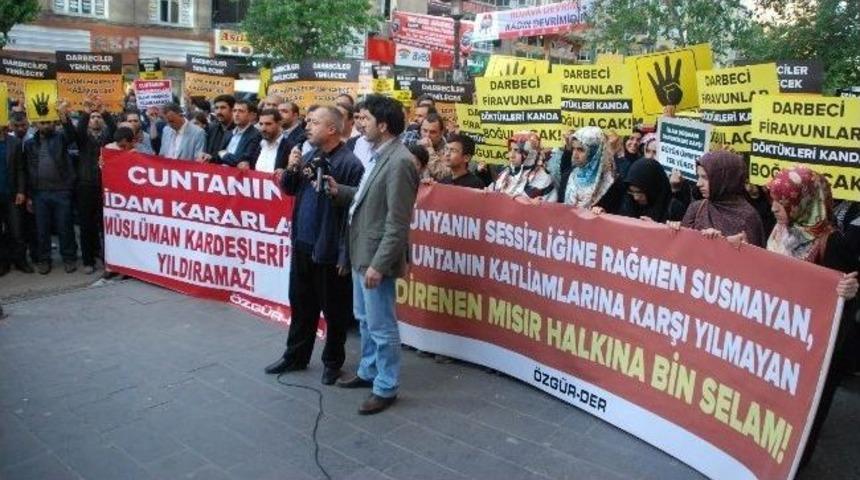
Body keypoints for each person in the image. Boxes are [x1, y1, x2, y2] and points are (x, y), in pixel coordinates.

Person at [325, 94, 419, 415]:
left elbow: (397, 222)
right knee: (365, 320)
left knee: (381, 326)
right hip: (361, 251)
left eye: (364, 118)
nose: (358, 124)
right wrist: (340, 191)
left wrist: (379, 265)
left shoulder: (400, 161)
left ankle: (386, 386)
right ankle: (368, 371)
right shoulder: (379, 155)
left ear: (383, 125)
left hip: (375, 258)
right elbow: (367, 198)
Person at [763, 166, 858, 469]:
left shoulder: (833, 243)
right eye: (773, 200)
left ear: (804, 202)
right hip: (781, 333)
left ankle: (792, 464)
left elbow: (845, 298)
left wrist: (850, 291)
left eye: (782, 202)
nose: (774, 208)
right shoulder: (782, 229)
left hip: (814, 348)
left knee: (806, 413)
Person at [264, 106, 364, 386]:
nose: (307, 126)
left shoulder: (350, 164)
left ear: (332, 129)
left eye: (314, 122)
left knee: (334, 310)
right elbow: (289, 188)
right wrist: (293, 166)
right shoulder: (309, 155)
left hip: (329, 249)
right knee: (301, 304)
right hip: (303, 244)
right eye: (307, 121)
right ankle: (295, 355)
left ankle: (332, 362)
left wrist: (344, 254)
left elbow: (352, 214)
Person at [60, 98, 115, 274]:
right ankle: (88, 260)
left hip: (105, 186)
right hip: (85, 186)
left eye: (99, 117)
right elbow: (72, 132)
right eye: (93, 117)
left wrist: (104, 111)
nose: (96, 119)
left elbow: (115, 130)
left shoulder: (108, 139)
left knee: (105, 225)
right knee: (86, 224)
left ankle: (108, 258)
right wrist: (86, 112)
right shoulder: (82, 138)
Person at [23, 118, 78, 274]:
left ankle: (69, 258)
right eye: (42, 123)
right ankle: (44, 260)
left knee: (65, 227)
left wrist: (65, 118)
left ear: (54, 123)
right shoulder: (29, 144)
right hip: (39, 193)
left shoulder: (61, 138)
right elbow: (27, 170)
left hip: (62, 191)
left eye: (48, 122)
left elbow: (72, 135)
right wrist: (29, 195)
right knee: (42, 229)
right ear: (36, 124)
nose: (46, 125)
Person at [678, 151, 764, 247]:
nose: (699, 184)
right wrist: (674, 231)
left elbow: (754, 255)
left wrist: (723, 242)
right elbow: (681, 248)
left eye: (705, 178)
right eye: (699, 177)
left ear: (724, 179)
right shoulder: (696, 208)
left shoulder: (748, 218)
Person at [608, 158, 685, 223]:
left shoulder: (673, 208)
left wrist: (655, 228)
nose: (636, 197)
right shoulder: (628, 203)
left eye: (640, 192)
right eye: (632, 191)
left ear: (653, 188)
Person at [488, 132, 555, 203]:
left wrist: (529, 204)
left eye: (517, 150)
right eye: (510, 150)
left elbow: (549, 208)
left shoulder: (543, 179)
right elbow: (492, 195)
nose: (511, 155)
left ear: (530, 153)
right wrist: (486, 192)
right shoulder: (505, 173)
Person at [0, 120, 31, 275]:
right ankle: (3, 263)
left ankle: (20, 261)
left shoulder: (15, 143)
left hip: (12, 194)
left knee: (17, 230)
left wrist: (21, 191)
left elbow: (20, 169)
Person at [561, 127, 617, 208]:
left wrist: (603, 211)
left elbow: (616, 212)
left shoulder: (610, 182)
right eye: (573, 149)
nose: (575, 155)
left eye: (581, 150)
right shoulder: (568, 176)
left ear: (595, 152)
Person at [202, 100, 260, 169]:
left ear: (251, 116)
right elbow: (219, 155)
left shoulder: (256, 135)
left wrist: (224, 154)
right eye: (234, 111)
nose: (236, 114)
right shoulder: (228, 133)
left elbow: (242, 161)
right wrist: (210, 157)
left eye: (241, 111)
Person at [249, 109, 290, 173]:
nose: (263, 128)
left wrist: (285, 173)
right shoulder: (257, 144)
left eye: (268, 124)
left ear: (279, 124)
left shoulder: (289, 147)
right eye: (261, 124)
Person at [417, 113, 448, 181]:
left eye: (432, 132)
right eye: (425, 130)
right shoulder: (415, 146)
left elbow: (442, 175)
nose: (427, 135)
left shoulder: (449, 150)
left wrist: (429, 150)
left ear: (441, 133)